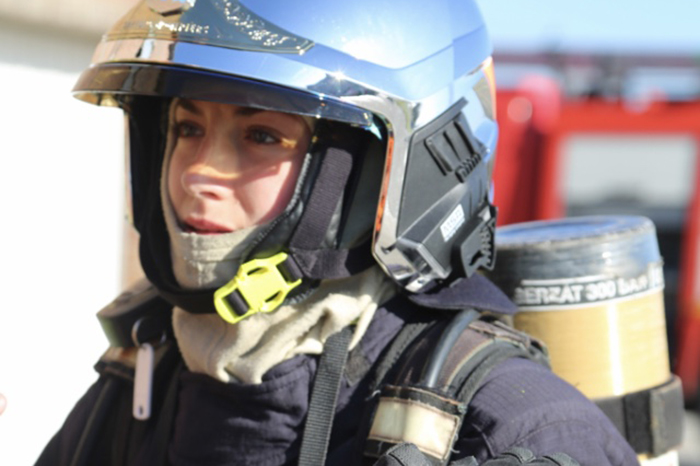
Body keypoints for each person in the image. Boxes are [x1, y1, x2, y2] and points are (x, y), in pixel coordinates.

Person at [36, 1, 639, 465]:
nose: (197, 173)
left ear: (385, 173)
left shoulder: (507, 432)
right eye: (186, 128)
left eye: (262, 136)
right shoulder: (144, 368)